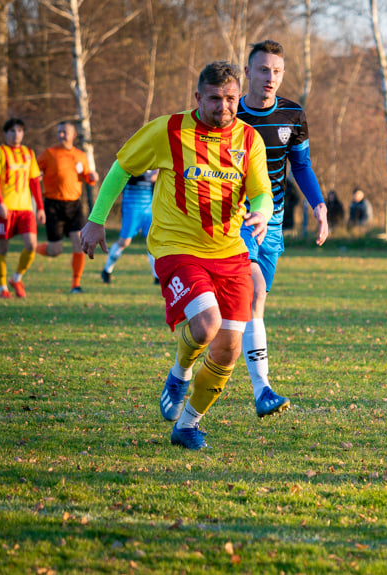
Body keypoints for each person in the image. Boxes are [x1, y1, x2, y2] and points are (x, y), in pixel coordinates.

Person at [79, 61, 273, 450]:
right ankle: (180, 372)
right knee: (205, 325)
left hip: (229, 251)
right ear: (198, 97)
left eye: (231, 99)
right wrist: (97, 220)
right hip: (176, 248)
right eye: (215, 99)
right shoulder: (169, 130)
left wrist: (263, 212)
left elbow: (262, 191)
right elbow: (121, 167)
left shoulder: (249, 139)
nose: (224, 107)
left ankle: (187, 425)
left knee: (230, 348)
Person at [236, 39, 328, 418]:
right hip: (235, 219)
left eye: (276, 71)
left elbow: (301, 166)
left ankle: (191, 365)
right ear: (247, 73)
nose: (269, 78)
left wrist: (319, 206)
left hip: (273, 221)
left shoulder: (293, 114)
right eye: (262, 70)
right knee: (253, 292)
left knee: (252, 305)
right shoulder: (230, 113)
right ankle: (263, 391)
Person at [36, 121, 100, 293]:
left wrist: (93, 177)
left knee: (79, 244)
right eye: (59, 132)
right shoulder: (49, 154)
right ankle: (33, 247)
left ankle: (75, 285)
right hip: (53, 206)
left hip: (74, 205)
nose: (61, 135)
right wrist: (38, 176)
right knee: (55, 250)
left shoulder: (80, 155)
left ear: (72, 135)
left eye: (64, 132)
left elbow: (88, 177)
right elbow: (33, 172)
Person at [0, 118, 45, 299]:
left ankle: (16, 277)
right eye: (12, 131)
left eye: (20, 130)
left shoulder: (29, 153)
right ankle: (2, 287)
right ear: (5, 133)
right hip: (5, 209)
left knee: (31, 245)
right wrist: (0, 203)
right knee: (2, 249)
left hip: (25, 209)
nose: (16, 134)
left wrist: (40, 208)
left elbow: (34, 182)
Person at [100, 169, 159, 285]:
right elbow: (127, 178)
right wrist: (147, 177)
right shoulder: (133, 161)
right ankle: (107, 270)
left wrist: (156, 176)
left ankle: (157, 277)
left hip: (149, 209)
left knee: (152, 242)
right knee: (124, 242)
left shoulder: (153, 163)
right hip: (131, 208)